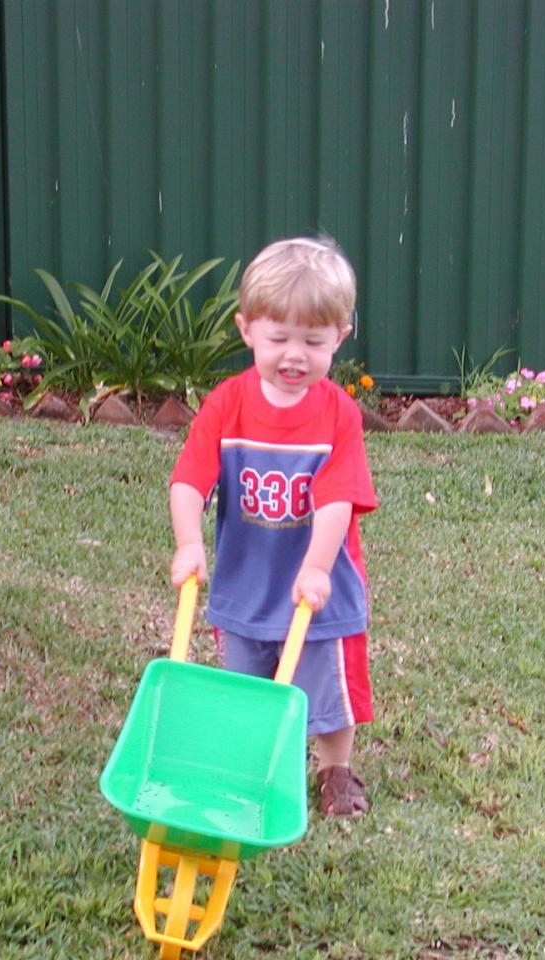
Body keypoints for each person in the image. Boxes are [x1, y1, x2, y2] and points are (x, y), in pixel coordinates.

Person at [169, 236, 377, 819]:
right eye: (278, 338)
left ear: (339, 336)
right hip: (245, 587)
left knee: (327, 696)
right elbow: (190, 479)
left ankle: (335, 770)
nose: (295, 355)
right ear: (246, 331)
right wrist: (189, 543)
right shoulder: (227, 405)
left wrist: (315, 566)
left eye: (313, 341)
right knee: (248, 692)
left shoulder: (338, 413)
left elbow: (338, 499)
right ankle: (252, 771)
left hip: (316, 590)